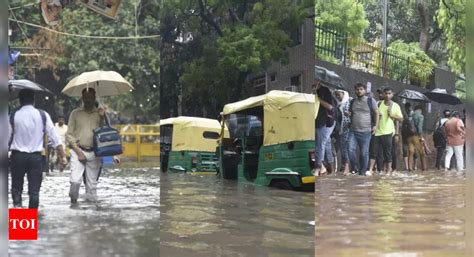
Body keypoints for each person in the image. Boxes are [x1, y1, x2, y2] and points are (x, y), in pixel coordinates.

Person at [9, 89, 66, 208]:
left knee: (16, 189)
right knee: (34, 192)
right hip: (36, 158)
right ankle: (33, 220)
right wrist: (63, 156)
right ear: (33, 100)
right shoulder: (42, 115)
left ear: (20, 100)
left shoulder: (13, 115)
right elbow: (55, 137)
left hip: (17, 157)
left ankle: (20, 218)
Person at [66, 88, 119, 204]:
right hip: (78, 150)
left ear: (94, 98)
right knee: (75, 182)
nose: (88, 100)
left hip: (95, 153)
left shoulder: (99, 114)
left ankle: (91, 218)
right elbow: (69, 135)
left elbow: (107, 133)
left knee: (92, 188)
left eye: (90, 97)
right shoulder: (75, 113)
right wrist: (78, 152)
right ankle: (73, 206)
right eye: (86, 97)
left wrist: (103, 117)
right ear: (82, 98)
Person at [369, 87, 403, 174]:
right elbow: (373, 114)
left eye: (389, 93)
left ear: (392, 94)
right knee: (374, 151)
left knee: (388, 152)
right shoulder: (378, 104)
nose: (387, 95)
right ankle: (370, 170)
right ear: (383, 94)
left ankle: (388, 170)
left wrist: (392, 115)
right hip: (377, 131)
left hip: (388, 132)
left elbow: (401, 119)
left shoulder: (395, 106)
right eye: (386, 93)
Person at [347, 83, 379, 176]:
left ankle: (363, 172)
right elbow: (351, 113)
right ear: (355, 91)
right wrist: (348, 114)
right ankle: (355, 167)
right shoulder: (353, 101)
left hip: (366, 132)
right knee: (350, 149)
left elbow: (377, 112)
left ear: (365, 90)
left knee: (364, 153)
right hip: (353, 130)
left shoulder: (370, 100)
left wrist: (376, 126)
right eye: (357, 89)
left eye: (361, 89)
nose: (359, 91)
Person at [313, 80, 336, 175]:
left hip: (326, 122)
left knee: (321, 143)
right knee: (325, 144)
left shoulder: (325, 91)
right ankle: (329, 167)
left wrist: (318, 99)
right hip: (317, 122)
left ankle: (319, 167)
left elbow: (330, 107)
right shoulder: (311, 92)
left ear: (318, 81)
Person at [334, 89, 352, 175]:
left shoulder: (350, 101)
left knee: (346, 148)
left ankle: (347, 166)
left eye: (339, 95)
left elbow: (355, 112)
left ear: (344, 93)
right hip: (340, 129)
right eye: (336, 95)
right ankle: (345, 165)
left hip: (348, 128)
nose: (337, 97)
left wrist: (350, 114)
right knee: (342, 148)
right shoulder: (337, 104)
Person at [407, 105, 426, 171]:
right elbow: (419, 127)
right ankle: (424, 168)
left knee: (411, 152)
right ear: (420, 110)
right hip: (416, 136)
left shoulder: (410, 115)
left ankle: (410, 168)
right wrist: (421, 136)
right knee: (422, 153)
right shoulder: (420, 116)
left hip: (409, 136)